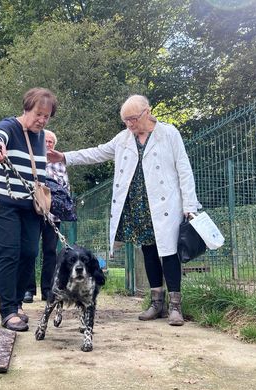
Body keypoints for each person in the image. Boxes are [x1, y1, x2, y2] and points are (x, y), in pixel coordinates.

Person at [47, 94, 201, 326]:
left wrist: (190, 205)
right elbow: (97, 152)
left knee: (169, 253)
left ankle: (175, 306)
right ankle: (156, 303)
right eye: (126, 120)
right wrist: (64, 156)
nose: (129, 124)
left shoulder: (169, 134)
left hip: (165, 204)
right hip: (137, 206)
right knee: (148, 251)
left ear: (147, 112)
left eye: (133, 119)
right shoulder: (123, 138)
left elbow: (184, 170)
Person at [0, 87, 58, 331]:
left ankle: (17, 303)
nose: (42, 120)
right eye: (38, 114)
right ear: (27, 108)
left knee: (29, 252)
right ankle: (8, 310)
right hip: (4, 200)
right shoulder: (9, 126)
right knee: (9, 252)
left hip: (30, 203)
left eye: (46, 116)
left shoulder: (41, 136)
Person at [23, 130, 70, 303]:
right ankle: (28, 290)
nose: (48, 144)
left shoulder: (60, 165)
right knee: (30, 251)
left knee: (50, 252)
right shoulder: (31, 159)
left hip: (53, 216)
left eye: (51, 142)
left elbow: (66, 189)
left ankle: (47, 290)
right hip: (33, 211)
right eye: (46, 141)